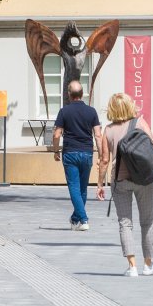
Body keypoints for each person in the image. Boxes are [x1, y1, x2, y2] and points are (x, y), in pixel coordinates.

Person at [95, 93, 153, 276]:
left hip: (120, 180)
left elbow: (103, 161)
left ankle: (132, 266)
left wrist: (100, 184)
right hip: (143, 179)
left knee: (125, 223)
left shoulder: (108, 131)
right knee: (147, 221)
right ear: (129, 106)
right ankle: (148, 264)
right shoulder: (140, 123)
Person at [51, 81, 103, 231]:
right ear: (82, 94)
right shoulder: (92, 112)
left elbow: (56, 134)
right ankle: (75, 218)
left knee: (74, 188)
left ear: (69, 94)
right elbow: (98, 135)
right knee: (82, 189)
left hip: (70, 153)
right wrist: (100, 154)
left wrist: (55, 151)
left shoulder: (64, 111)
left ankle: (84, 219)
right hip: (87, 153)